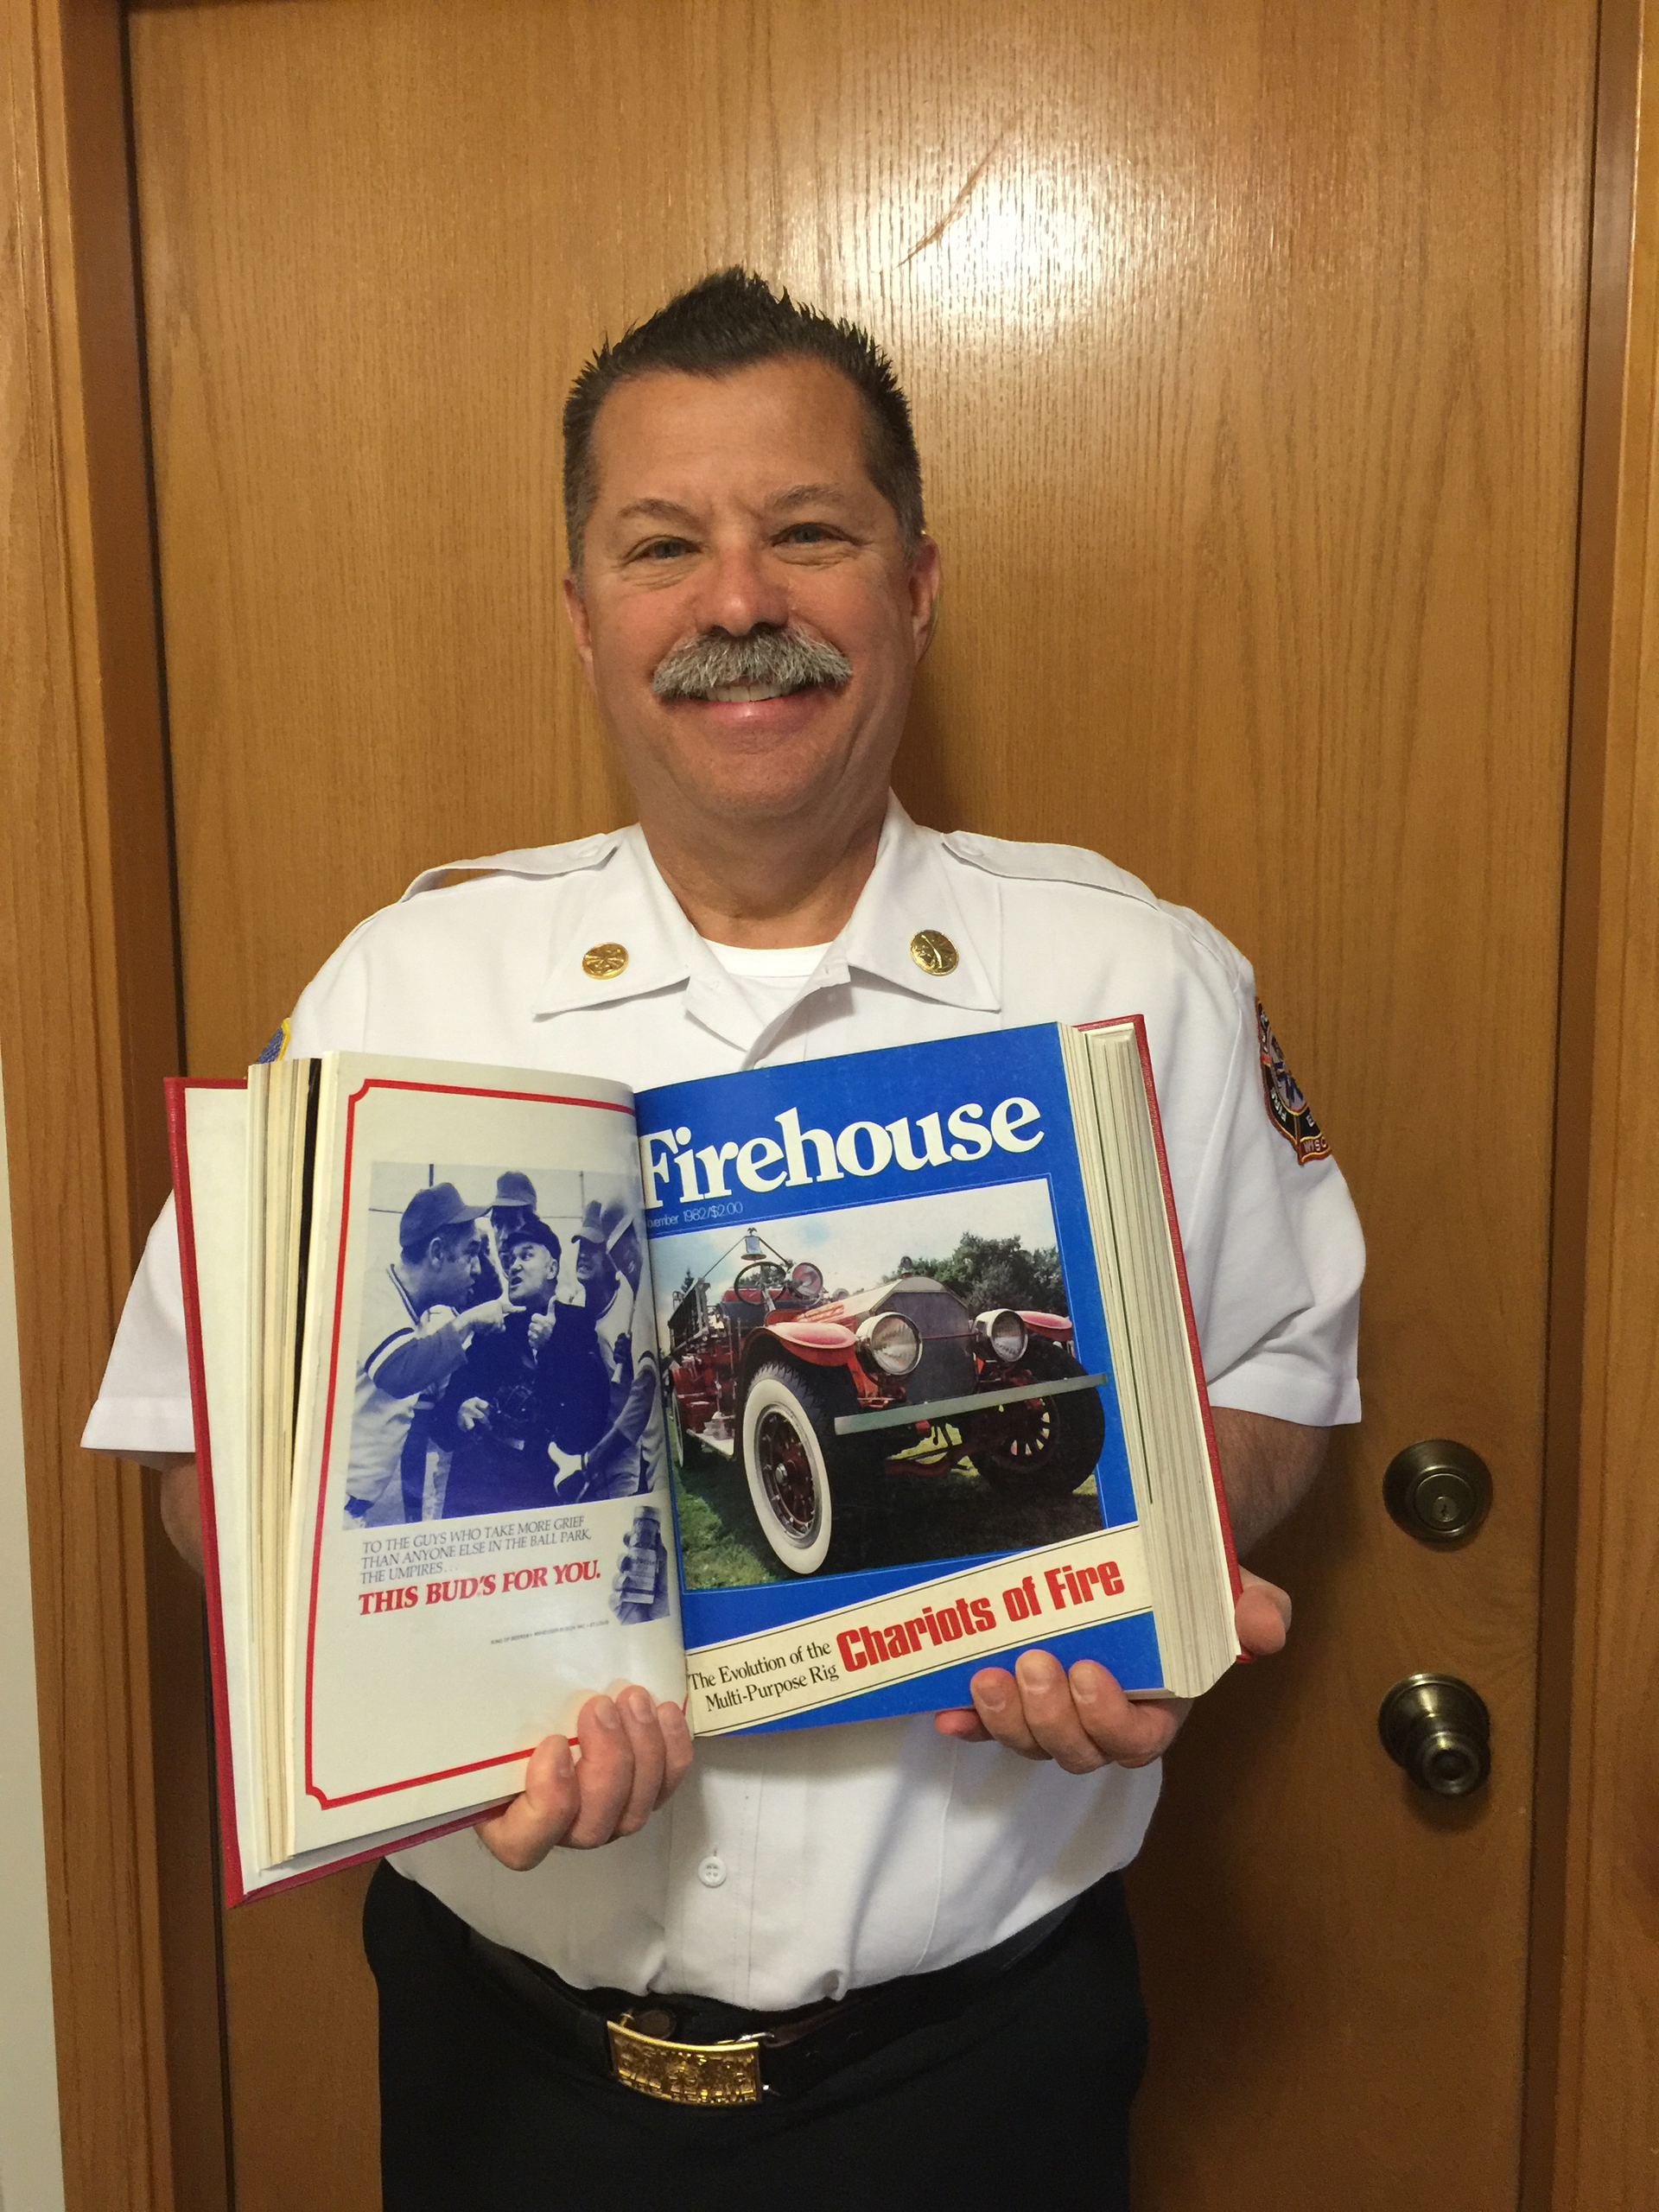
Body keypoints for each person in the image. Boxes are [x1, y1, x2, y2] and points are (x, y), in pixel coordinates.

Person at [82, 268, 1363, 2209]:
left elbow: (1276, 1368)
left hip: (985, 2063)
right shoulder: (402, 986)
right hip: (510, 2064)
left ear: (913, 583)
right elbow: (199, 1445)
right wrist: (419, 1695)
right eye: (662, 544)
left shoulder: (1128, 973)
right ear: (583, 613)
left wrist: (1139, 1554)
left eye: (811, 533)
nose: (737, 602)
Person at [348, 1183, 511, 1526]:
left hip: (356, 1508)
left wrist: (456, 1412)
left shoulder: (422, 1315)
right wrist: (469, 1322)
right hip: (332, 1507)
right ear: (437, 1253)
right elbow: (399, 1372)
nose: (478, 1269)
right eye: (470, 1252)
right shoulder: (374, 1292)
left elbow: (425, 1414)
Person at [433, 1216, 611, 1518]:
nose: (513, 1266)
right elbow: (442, 1422)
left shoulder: (579, 1325)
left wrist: (555, 1344)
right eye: (509, 1259)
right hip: (484, 1494)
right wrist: (459, 1412)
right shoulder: (494, 1329)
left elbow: (593, 1416)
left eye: (526, 1255)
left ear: (552, 1268)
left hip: (545, 1494)